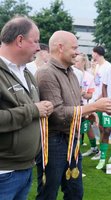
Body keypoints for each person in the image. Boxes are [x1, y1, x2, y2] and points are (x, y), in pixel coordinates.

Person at [35, 30, 111, 200]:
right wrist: (92, 106)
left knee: (75, 193)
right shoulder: (46, 73)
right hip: (54, 142)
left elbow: (74, 105)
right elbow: (57, 113)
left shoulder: (71, 72)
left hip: (72, 140)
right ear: (60, 47)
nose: (78, 52)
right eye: (75, 48)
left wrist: (88, 113)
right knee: (49, 193)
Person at [0, 16, 53, 200]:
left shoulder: (26, 72)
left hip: (24, 169)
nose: (39, 48)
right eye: (36, 41)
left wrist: (43, 108)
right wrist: (34, 110)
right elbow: (31, 110)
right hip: (4, 174)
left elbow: (33, 108)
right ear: (20, 40)